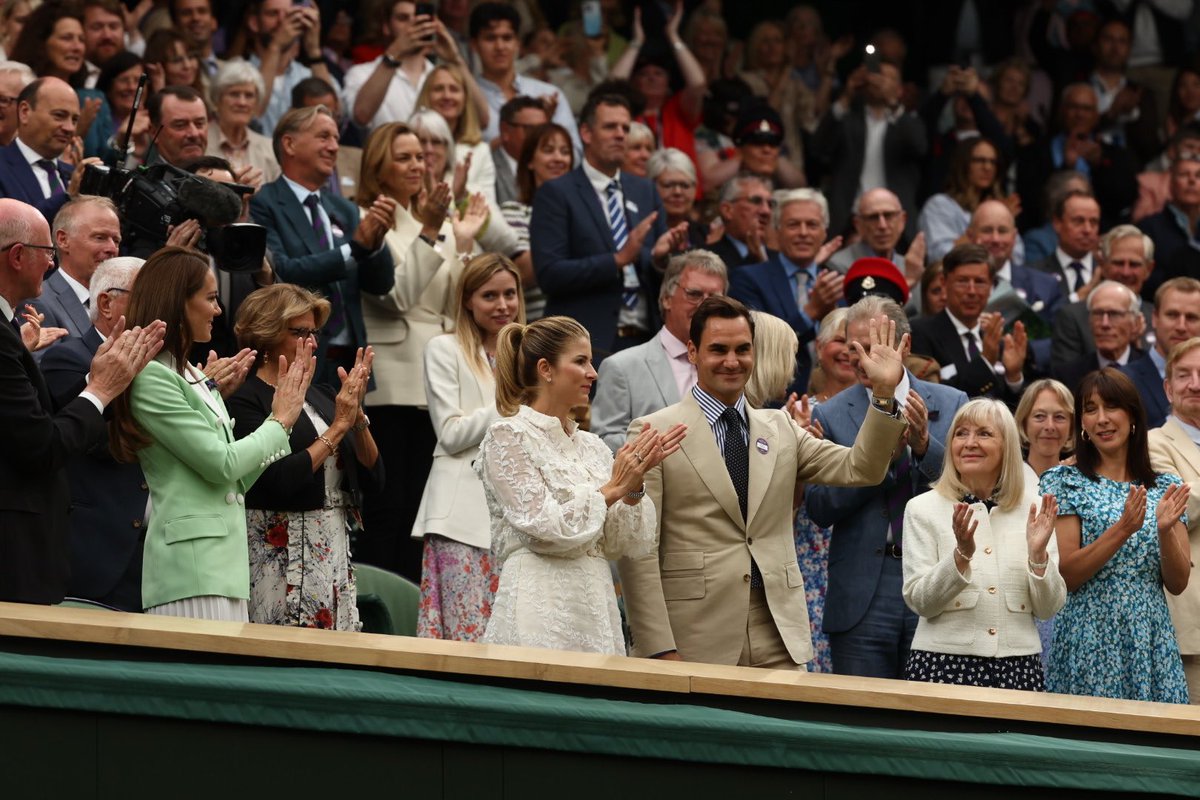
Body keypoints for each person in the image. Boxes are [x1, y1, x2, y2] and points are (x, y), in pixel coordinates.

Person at [619, 296, 908, 668]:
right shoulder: (652, 430)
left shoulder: (780, 427)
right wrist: (658, 646)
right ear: (692, 352)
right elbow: (637, 549)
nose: (732, 361)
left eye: (742, 349)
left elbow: (862, 468)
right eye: (718, 349)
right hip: (694, 636)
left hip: (779, 632)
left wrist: (883, 395)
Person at [109, 246, 313, 621]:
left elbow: (235, 480)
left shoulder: (192, 373)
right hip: (188, 571)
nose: (218, 310)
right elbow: (221, 465)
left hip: (225, 570)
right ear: (178, 303)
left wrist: (281, 422)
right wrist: (280, 421)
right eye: (211, 298)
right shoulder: (153, 376)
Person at [477, 315, 685, 654]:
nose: (594, 372)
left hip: (595, 605)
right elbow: (541, 529)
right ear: (546, 369)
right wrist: (612, 490)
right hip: (538, 604)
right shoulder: (508, 435)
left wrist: (633, 486)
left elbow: (619, 543)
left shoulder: (592, 445)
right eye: (581, 361)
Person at [0, 198, 162, 605]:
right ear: (18, 256)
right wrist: (100, 389)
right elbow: (40, 445)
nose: (51, 266)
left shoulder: (8, 334)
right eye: (47, 254)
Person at [807, 296, 968, 678]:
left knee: (929, 724)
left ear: (905, 347)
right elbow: (819, 507)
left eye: (875, 346)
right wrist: (882, 461)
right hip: (863, 589)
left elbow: (970, 491)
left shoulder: (951, 402)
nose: (863, 358)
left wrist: (925, 447)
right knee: (861, 725)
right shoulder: (830, 414)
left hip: (935, 581)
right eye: (854, 348)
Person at [354, 120, 486, 580]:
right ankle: (375, 607)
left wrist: (461, 239)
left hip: (445, 378)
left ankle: (412, 605)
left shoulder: (435, 220)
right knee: (389, 505)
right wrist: (433, 229)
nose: (417, 164)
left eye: (420, 156)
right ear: (378, 168)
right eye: (404, 157)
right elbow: (397, 296)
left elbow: (457, 299)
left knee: (422, 507)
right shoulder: (372, 221)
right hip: (394, 381)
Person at [228, 284, 382, 630]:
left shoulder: (325, 395)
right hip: (279, 555)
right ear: (266, 336)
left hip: (331, 548)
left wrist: (356, 418)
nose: (311, 342)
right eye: (299, 333)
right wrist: (338, 427)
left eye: (313, 333)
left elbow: (374, 477)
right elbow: (280, 480)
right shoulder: (245, 399)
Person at [1040, 368, 1191, 703]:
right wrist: (1123, 529)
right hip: (1088, 635)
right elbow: (1067, 575)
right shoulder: (1065, 481)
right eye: (1091, 409)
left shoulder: (1165, 487)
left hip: (1150, 637)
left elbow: (1178, 583)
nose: (1102, 419)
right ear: (1081, 423)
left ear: (1133, 416)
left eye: (1112, 407)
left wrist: (1166, 530)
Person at [901, 399, 1066, 689]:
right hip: (942, 665)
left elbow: (1048, 608)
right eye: (961, 434)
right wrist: (960, 557)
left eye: (984, 434)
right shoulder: (921, 508)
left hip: (1018, 667)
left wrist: (1038, 556)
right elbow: (920, 602)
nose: (969, 443)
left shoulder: (1035, 510)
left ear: (1007, 447)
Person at [413, 253, 524, 640]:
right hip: (460, 518)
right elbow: (451, 434)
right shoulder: (444, 349)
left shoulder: (531, 352)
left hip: (519, 516)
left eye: (510, 293)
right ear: (467, 302)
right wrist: (514, 400)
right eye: (489, 296)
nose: (503, 305)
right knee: (465, 637)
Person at [249, 104, 396, 387]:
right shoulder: (263, 203)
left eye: (337, 139)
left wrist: (376, 244)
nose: (334, 147)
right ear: (289, 144)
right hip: (296, 357)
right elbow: (283, 272)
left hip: (351, 362)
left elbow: (381, 284)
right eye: (324, 137)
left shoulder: (345, 209)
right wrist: (355, 250)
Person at [530, 92, 678, 361]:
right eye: (610, 127)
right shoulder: (557, 193)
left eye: (625, 128)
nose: (621, 134)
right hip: (586, 345)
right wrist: (617, 260)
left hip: (649, 343)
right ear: (586, 133)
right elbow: (550, 274)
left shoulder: (645, 191)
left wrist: (660, 259)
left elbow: (660, 272)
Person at [39, 255, 147, 612]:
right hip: (94, 549)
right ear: (107, 302)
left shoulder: (166, 369)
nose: (160, 308)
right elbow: (98, 441)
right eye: (147, 296)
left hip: (146, 555)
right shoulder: (68, 358)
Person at [592, 250, 727, 452]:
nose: (705, 305)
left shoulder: (733, 365)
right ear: (666, 299)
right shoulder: (622, 367)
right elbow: (603, 443)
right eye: (694, 294)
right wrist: (663, 448)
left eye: (714, 298)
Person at [729, 188, 842, 396]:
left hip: (833, 400)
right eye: (793, 225)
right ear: (777, 231)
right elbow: (757, 345)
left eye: (812, 224)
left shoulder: (838, 281)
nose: (803, 232)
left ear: (824, 232)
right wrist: (810, 313)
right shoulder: (749, 279)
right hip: (774, 402)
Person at [811, 58, 927, 240]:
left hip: (894, 222)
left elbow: (919, 147)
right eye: (876, 75)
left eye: (887, 78)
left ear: (899, 88)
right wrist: (846, 96)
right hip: (849, 220)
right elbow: (818, 148)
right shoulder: (848, 120)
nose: (879, 81)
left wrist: (893, 102)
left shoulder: (905, 120)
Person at [1148, 337, 1200, 703]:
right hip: (1191, 629)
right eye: (1183, 375)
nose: (1195, 383)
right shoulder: (1153, 444)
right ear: (1168, 388)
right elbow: (1174, 509)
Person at [910, 243, 1028, 403]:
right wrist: (985, 362)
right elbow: (930, 398)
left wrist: (1013, 377)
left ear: (991, 286)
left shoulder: (998, 338)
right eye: (963, 281)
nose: (972, 291)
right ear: (944, 283)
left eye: (979, 282)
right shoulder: (920, 333)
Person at [470, 2, 580, 155]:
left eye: (507, 38)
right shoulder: (465, 98)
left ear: (518, 44)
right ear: (474, 44)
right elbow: (462, 158)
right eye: (490, 38)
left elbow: (574, 156)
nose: (500, 46)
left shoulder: (550, 94)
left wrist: (544, 126)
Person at [1051, 223, 1155, 367]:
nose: (1125, 272)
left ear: (1148, 269)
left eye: (1134, 264)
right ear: (1102, 265)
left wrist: (1134, 345)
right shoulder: (1072, 317)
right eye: (1118, 263)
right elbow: (1067, 379)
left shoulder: (1158, 318)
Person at [27, 196, 120, 352]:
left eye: (116, 240)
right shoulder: (38, 302)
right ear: (63, 240)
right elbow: (45, 372)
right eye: (100, 237)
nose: (112, 248)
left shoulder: (122, 303)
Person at [500, 120, 572, 321]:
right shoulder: (513, 211)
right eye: (549, 150)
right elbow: (521, 273)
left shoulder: (583, 212)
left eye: (565, 152)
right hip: (537, 327)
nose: (558, 158)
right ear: (530, 161)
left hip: (580, 323)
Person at [919, 138, 1024, 265]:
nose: (987, 167)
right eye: (980, 160)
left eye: (993, 162)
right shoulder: (939, 205)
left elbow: (1018, 259)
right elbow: (939, 256)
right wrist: (987, 223)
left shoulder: (1000, 207)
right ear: (964, 164)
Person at [0, 77, 87, 224]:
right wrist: (67, 197)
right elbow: (10, 227)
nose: (69, 128)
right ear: (25, 112)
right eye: (59, 115)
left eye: (74, 120)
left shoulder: (76, 176)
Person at [243, 0, 336, 137]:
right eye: (273, 13)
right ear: (254, 23)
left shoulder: (308, 74)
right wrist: (276, 47)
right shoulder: (237, 72)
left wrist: (314, 50)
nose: (282, 21)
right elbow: (253, 112)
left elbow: (333, 115)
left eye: (289, 14)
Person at [342, 0, 436, 132]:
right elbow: (361, 116)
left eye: (418, 19)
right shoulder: (361, 73)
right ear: (386, 26)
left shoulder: (439, 75)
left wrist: (456, 59)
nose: (412, 25)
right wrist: (396, 52)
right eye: (403, 18)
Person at [1122, 277, 1200, 429]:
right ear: (1155, 318)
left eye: (1191, 317)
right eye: (1172, 315)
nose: (1181, 326)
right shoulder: (1124, 381)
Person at [413, 62, 496, 203]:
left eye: (454, 89)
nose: (446, 96)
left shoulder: (481, 151)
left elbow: (488, 209)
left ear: (465, 98)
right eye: (438, 89)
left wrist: (461, 195)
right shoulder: (409, 140)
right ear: (426, 95)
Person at [1052, 281, 1145, 395]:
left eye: (1114, 314)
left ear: (1135, 323)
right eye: (1098, 313)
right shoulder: (1066, 376)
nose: (1104, 323)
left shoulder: (1153, 371)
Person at [205, 59, 281, 186]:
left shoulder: (270, 148)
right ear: (217, 99)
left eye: (249, 95)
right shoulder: (200, 141)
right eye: (234, 94)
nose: (242, 102)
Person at [826, 188, 910, 276]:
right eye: (873, 217)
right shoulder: (838, 267)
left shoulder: (910, 267)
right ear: (858, 225)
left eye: (888, 215)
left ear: (902, 221)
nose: (882, 225)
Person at [707, 175, 774, 271]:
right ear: (727, 210)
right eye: (756, 201)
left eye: (770, 204)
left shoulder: (782, 259)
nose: (766, 211)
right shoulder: (706, 258)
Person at [492, 95, 548, 205]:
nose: (539, 136)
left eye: (544, 129)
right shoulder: (489, 167)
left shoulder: (553, 168)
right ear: (505, 130)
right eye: (530, 129)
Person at [1015, 378, 1075, 478]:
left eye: (1059, 417)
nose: (1049, 426)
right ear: (1024, 422)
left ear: (1071, 426)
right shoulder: (1006, 482)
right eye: (1039, 416)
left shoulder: (1083, 486)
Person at [647, 147, 705, 248]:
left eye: (685, 185)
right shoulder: (642, 235)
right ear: (650, 186)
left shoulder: (707, 236)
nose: (677, 192)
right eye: (668, 185)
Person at [145, 85, 208, 167]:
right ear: (154, 132)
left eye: (199, 124)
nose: (194, 134)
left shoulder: (220, 176)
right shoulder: (142, 179)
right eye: (180, 125)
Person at [143, 28, 204, 99]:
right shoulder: (144, 104)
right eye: (177, 60)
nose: (187, 65)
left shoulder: (203, 95)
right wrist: (159, 88)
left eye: (191, 57)